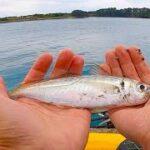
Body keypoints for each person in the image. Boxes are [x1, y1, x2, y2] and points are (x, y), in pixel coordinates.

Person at [0, 45, 149, 150]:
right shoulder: (118, 87)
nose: (146, 92)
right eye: (141, 88)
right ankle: (15, 94)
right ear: (122, 87)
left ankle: (14, 93)